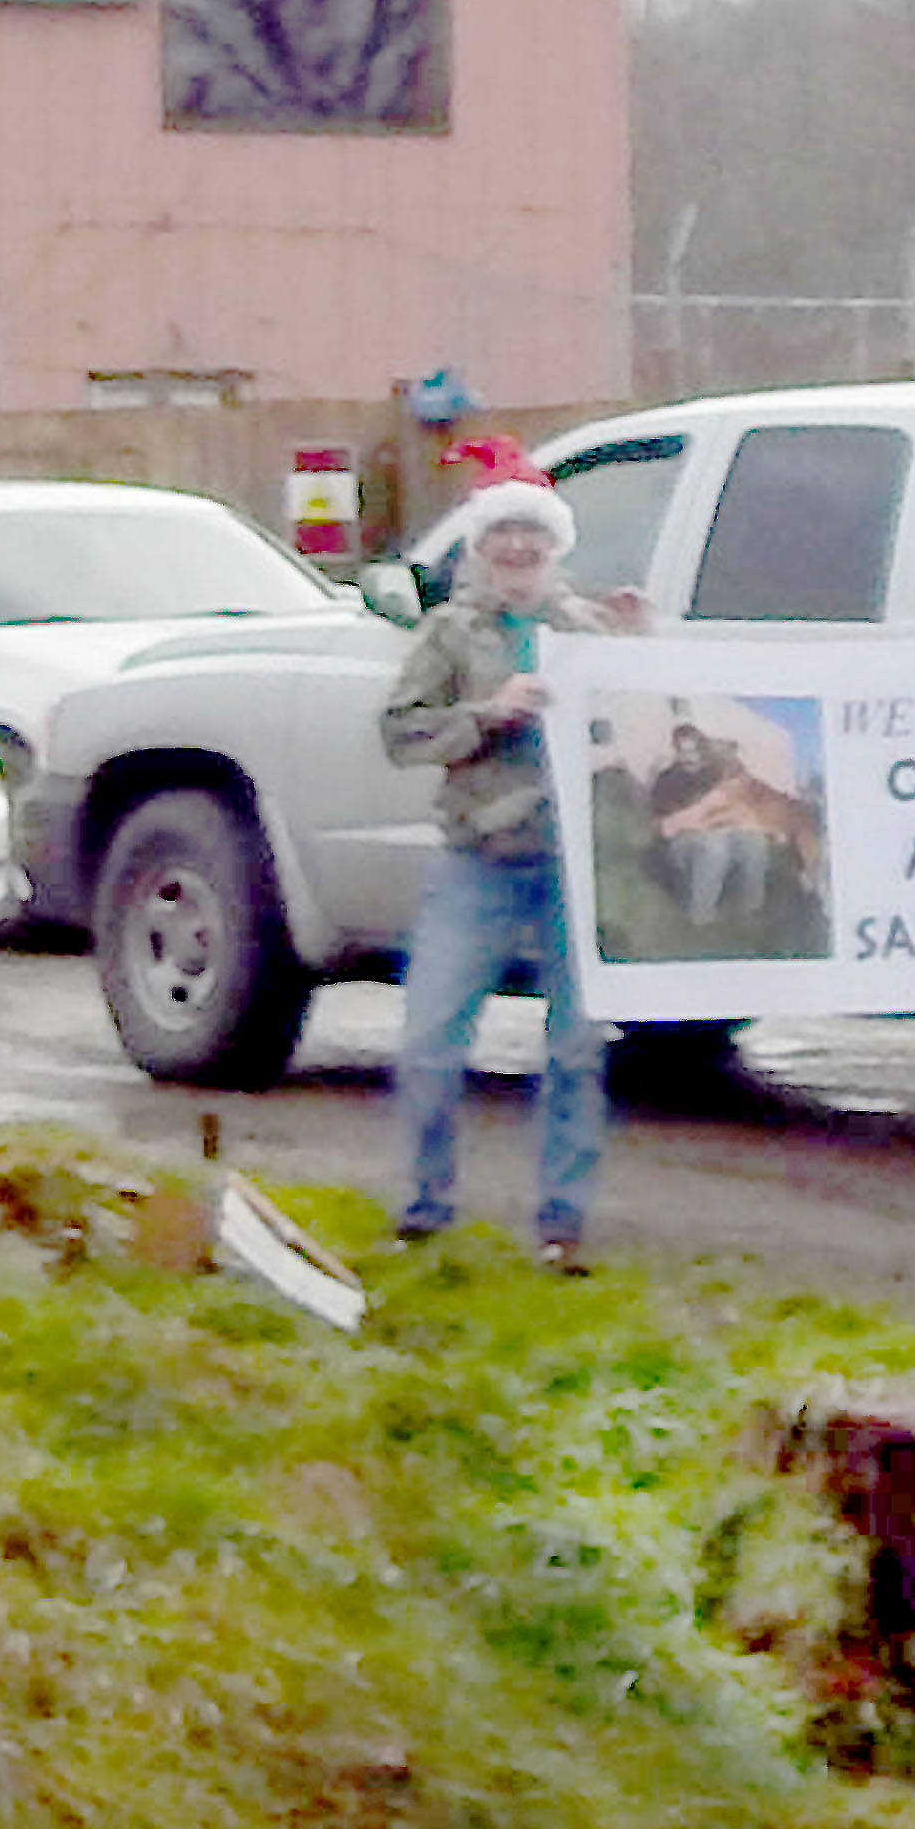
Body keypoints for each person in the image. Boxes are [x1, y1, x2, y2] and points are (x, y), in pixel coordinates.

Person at [381, 476, 634, 1274]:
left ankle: (564, 1228)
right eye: (503, 535)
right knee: (428, 1040)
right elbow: (400, 733)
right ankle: (424, 1210)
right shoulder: (450, 633)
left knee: (576, 1050)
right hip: (477, 862)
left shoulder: (588, 629)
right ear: (480, 548)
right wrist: (490, 713)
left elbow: (646, 731)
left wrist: (644, 644)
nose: (518, 549)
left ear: (555, 547)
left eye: (533, 535)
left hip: (574, 871)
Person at [647, 723, 775, 926]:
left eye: (693, 750)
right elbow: (661, 826)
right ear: (675, 751)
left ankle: (749, 912)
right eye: (683, 751)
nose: (688, 756)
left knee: (754, 841)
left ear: (702, 750)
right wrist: (692, 822)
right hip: (683, 842)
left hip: (722, 831)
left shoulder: (715, 775)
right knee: (713, 845)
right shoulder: (667, 780)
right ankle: (700, 917)